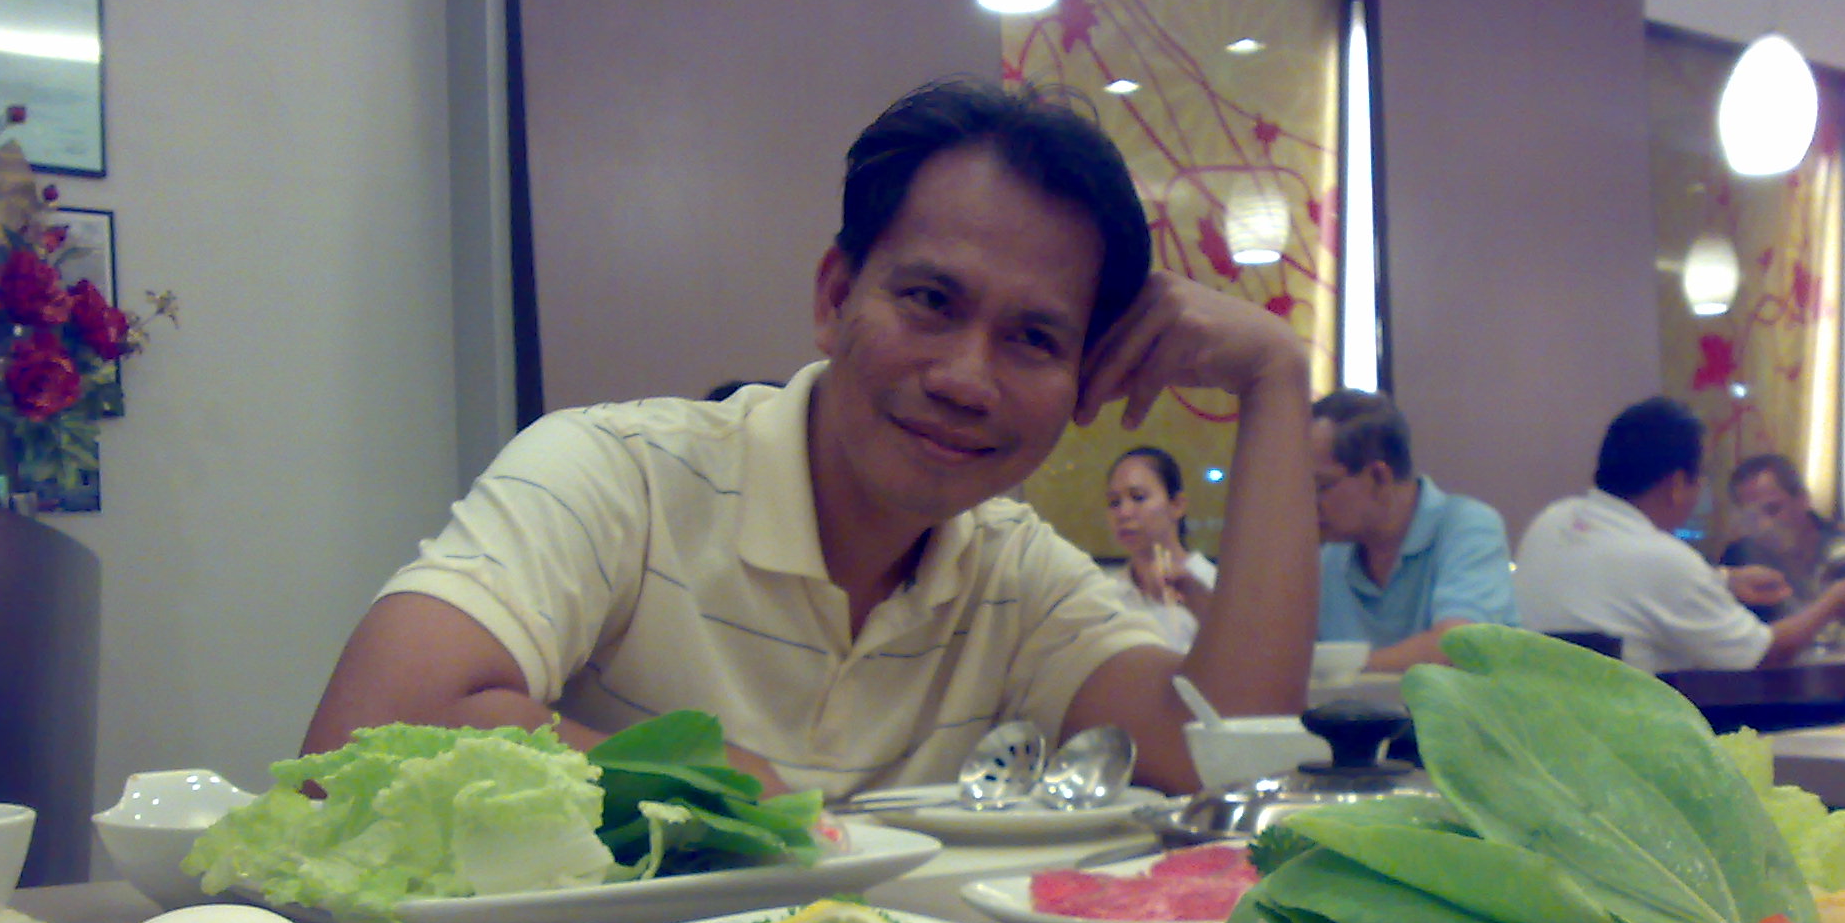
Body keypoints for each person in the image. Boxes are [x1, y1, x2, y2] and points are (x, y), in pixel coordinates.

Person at [302, 78, 1318, 796]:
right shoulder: (616, 477)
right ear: (835, 299)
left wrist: (1276, 385)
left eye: (1033, 337)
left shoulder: (1016, 578)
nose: (966, 377)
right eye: (928, 300)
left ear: (1082, 381)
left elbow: (1217, 758)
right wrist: (727, 790)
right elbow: (362, 735)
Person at [1513, 398, 1845, 673]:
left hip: (1548, 737)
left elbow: (1619, 581)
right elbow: (1765, 653)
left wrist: (1725, 580)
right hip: (1639, 737)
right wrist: (1832, 603)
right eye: (1699, 477)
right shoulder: (1661, 558)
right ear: (1676, 486)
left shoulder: (1551, 521)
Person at [1308, 389, 1519, 672]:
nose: (1309, 503)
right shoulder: (1331, 556)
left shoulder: (1469, 526)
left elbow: (1458, 647)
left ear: (1379, 477)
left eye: (1321, 486)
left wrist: (1335, 673)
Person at [1720, 452, 1845, 625]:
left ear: (1802, 499)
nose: (1764, 526)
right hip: (1779, 670)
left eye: (1773, 510)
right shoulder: (1739, 558)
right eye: (1751, 517)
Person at [1103, 445, 1214, 649]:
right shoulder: (1105, 595)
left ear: (1177, 505)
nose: (1124, 512)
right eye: (1114, 502)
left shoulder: (1213, 583)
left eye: (1138, 497)